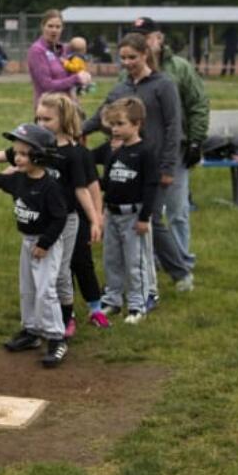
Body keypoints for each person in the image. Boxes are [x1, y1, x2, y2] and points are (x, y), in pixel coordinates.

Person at [0, 95, 101, 339]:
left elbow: (82, 189)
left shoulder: (73, 154)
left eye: (47, 119)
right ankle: (36, 325)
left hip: (66, 221)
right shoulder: (33, 144)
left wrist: (94, 219)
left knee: (61, 273)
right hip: (39, 222)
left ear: (65, 119)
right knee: (38, 276)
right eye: (38, 117)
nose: (40, 123)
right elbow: (3, 157)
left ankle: (65, 318)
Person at [84, 32, 185, 302]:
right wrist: (75, 133)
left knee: (150, 219)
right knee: (127, 224)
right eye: (123, 58)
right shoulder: (121, 88)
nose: (127, 62)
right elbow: (101, 116)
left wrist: (167, 166)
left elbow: (174, 126)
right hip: (125, 166)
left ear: (145, 55)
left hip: (153, 164)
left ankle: (179, 272)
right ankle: (130, 282)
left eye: (133, 57)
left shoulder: (163, 85)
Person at [0, 124, 69, 368]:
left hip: (45, 243)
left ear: (40, 156)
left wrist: (45, 243)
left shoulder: (50, 186)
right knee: (27, 287)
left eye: (24, 154)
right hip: (28, 242)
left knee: (45, 290)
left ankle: (56, 337)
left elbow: (60, 218)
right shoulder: (19, 180)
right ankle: (31, 331)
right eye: (16, 152)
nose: (17, 157)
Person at [136, 18, 207, 286]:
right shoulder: (130, 71)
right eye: (137, 36)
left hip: (175, 148)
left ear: (159, 38)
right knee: (147, 208)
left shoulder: (179, 68)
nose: (143, 41)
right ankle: (153, 257)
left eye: (146, 36)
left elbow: (198, 104)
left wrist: (195, 141)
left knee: (177, 209)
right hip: (142, 150)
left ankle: (181, 259)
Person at [92, 98, 159, 325]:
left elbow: (151, 186)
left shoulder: (145, 152)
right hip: (112, 213)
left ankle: (137, 304)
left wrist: (144, 217)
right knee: (112, 258)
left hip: (134, 214)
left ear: (137, 123)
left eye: (120, 124)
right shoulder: (113, 152)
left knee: (135, 261)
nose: (115, 129)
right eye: (112, 124)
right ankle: (112, 299)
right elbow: (108, 182)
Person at [28, 9, 91, 106]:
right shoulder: (37, 51)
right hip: (48, 108)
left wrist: (83, 76)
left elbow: (71, 72)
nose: (54, 30)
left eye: (58, 27)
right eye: (50, 26)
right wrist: (76, 79)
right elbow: (47, 85)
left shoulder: (63, 49)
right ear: (42, 27)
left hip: (68, 105)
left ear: (62, 28)